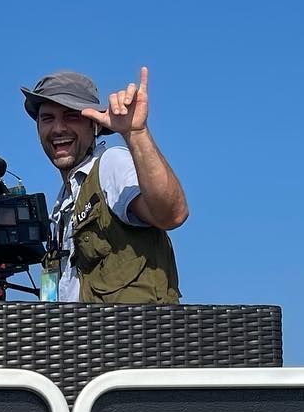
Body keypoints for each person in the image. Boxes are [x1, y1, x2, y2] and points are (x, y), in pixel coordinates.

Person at [21, 67, 188, 305]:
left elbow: (171, 214)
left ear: (95, 124)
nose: (58, 128)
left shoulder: (111, 164)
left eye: (71, 116)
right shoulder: (63, 205)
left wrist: (136, 134)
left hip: (134, 329)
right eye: (48, 118)